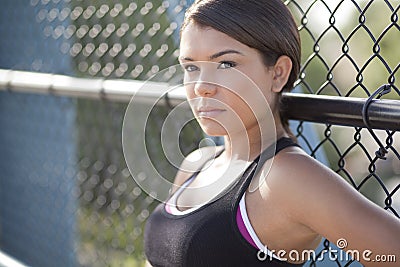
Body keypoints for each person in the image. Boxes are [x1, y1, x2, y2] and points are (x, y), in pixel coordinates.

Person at [144, 0, 400, 266]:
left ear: (278, 74)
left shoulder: (283, 177)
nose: (201, 87)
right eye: (190, 67)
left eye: (226, 64)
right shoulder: (196, 163)